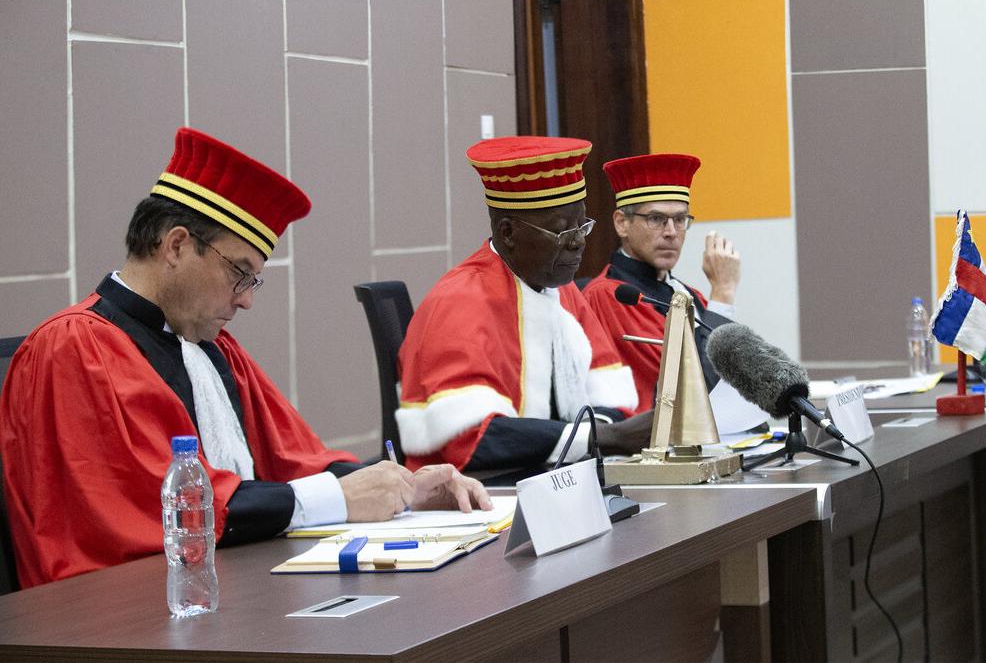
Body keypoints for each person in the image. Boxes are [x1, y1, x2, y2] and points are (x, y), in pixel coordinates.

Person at [0, 127, 489, 588]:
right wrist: (341, 497)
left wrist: (401, 485)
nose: (247, 300)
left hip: (231, 591)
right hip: (115, 616)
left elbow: (294, 463)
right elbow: (157, 511)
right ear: (176, 245)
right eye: (240, 272)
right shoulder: (72, 348)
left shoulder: (211, 347)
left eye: (253, 280)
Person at [396, 136, 650, 472]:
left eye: (582, 226)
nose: (578, 243)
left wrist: (601, 435)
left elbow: (612, 399)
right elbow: (473, 438)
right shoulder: (460, 301)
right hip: (473, 490)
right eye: (562, 232)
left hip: (550, 477)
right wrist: (601, 438)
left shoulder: (561, 290)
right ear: (508, 233)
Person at [582, 153, 742, 413]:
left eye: (680, 220)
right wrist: (723, 294)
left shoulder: (690, 294)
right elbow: (691, 398)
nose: (671, 232)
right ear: (622, 223)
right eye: (656, 219)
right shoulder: (609, 295)